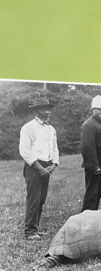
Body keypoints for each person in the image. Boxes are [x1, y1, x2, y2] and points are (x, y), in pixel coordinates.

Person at [19, 97, 59, 240]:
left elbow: (54, 148)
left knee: (41, 199)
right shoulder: (28, 127)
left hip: (47, 167)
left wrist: (54, 164)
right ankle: (29, 232)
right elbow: (24, 151)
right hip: (34, 167)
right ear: (36, 110)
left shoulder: (51, 129)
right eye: (44, 108)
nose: (47, 111)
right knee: (33, 199)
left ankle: (35, 228)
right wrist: (39, 168)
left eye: (49, 109)